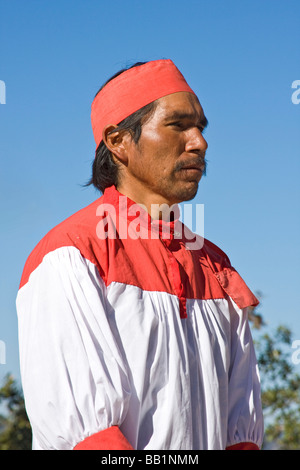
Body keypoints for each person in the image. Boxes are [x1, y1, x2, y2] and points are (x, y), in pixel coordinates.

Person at [16, 59, 264, 450]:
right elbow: (89, 439)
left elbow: (241, 435)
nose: (199, 141)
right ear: (118, 141)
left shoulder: (217, 268)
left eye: (200, 127)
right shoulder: (72, 253)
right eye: (178, 125)